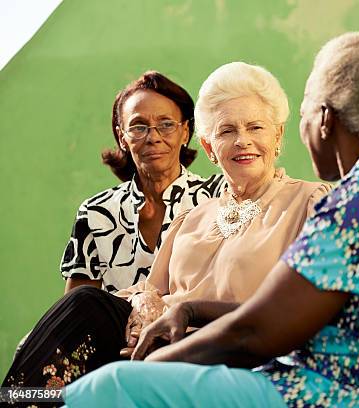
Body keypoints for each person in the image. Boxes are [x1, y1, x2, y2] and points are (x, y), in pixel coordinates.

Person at [65, 32, 359, 407]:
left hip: (333, 390)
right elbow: (299, 315)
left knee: (113, 386)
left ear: (325, 119)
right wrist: (190, 309)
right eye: (228, 130)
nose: (302, 130)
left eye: (302, 116)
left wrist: (149, 366)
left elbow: (258, 332)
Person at [2, 62, 329, 395]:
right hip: (159, 342)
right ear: (209, 147)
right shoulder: (192, 217)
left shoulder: (310, 202)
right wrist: (141, 313)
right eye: (227, 131)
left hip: (226, 348)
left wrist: (186, 312)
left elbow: (299, 310)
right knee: (85, 305)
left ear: (277, 135)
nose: (242, 141)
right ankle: (21, 400)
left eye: (256, 127)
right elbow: (149, 290)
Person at [61, 71, 224, 293]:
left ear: (185, 132)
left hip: (202, 327)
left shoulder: (218, 197)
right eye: (138, 126)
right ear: (122, 138)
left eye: (166, 124)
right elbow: (79, 310)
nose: (153, 137)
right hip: (118, 328)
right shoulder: (96, 213)